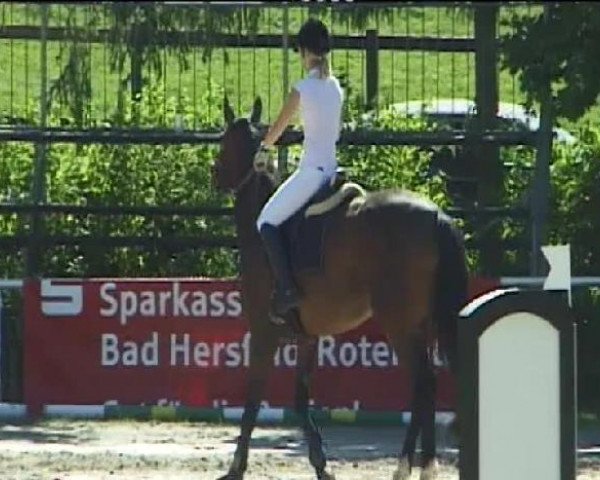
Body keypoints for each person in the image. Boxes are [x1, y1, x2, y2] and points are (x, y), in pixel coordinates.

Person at [255, 18, 344, 325]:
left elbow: (279, 126)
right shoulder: (335, 87)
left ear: (306, 52)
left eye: (300, 52)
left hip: (312, 173)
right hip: (332, 170)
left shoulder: (302, 89)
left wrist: (265, 147)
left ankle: (287, 290)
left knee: (265, 222)